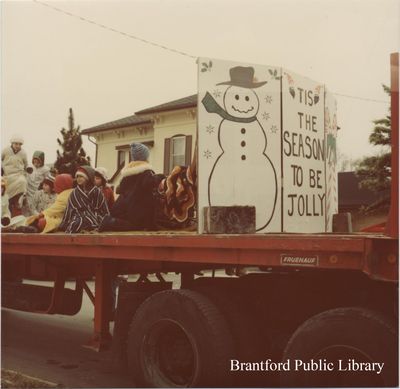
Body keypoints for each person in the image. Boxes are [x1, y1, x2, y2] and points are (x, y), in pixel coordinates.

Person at [99, 143, 164, 232]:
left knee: (131, 223)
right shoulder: (145, 171)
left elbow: (120, 188)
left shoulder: (128, 174)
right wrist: (160, 177)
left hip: (124, 208)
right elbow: (148, 183)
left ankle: (112, 220)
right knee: (136, 225)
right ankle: (111, 222)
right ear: (145, 157)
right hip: (136, 209)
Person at [59, 166, 109, 233]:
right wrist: (65, 223)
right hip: (78, 215)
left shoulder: (97, 191)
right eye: (77, 177)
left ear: (88, 177)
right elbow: (70, 209)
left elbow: (103, 207)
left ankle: (90, 228)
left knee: (98, 221)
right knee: (78, 221)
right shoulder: (74, 193)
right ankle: (84, 229)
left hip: (95, 216)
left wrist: (104, 218)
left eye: (81, 177)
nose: (78, 179)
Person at [1, 135, 28, 216]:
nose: (18, 146)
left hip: (19, 175)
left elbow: (26, 164)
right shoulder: (5, 150)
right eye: (16, 144)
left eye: (20, 144)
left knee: (23, 181)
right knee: (4, 190)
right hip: (7, 175)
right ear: (12, 143)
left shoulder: (23, 153)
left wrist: (27, 170)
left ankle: (19, 200)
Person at [23, 151, 50, 216]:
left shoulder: (45, 169)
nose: (36, 164)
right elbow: (25, 176)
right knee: (27, 206)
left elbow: (47, 180)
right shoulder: (29, 167)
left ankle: (35, 218)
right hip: (28, 190)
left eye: (38, 162)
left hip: (37, 190)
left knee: (34, 207)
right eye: (34, 162)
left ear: (42, 161)